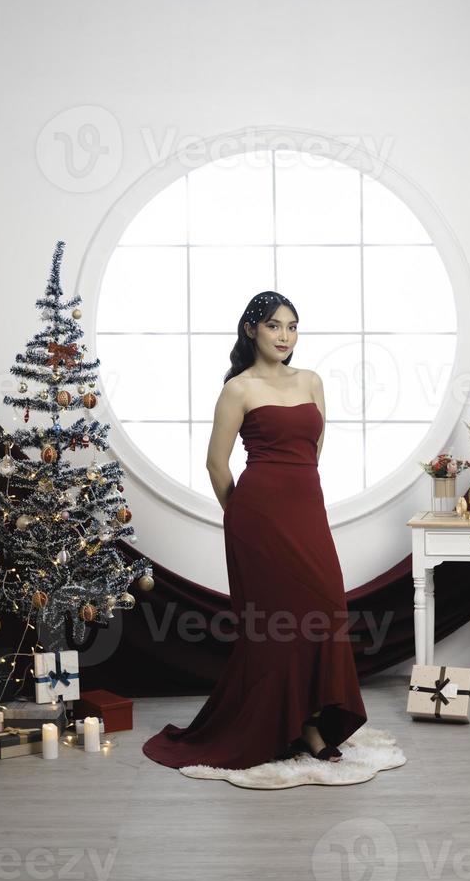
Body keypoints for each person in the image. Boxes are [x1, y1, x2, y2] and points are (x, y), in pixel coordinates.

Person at [142, 291, 367, 770]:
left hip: (306, 512)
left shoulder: (312, 381)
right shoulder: (238, 389)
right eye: (273, 326)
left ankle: (307, 719)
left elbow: (313, 449)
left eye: (292, 326)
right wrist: (242, 516)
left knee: (325, 608)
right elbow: (215, 464)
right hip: (256, 522)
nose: (285, 336)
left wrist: (294, 496)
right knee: (273, 627)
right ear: (251, 330)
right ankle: (284, 727)